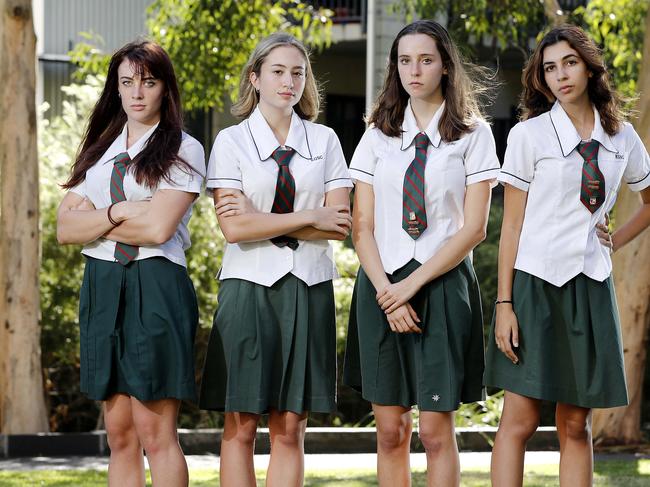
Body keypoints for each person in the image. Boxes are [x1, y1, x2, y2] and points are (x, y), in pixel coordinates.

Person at [484, 24, 650, 487]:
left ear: (589, 66)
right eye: (550, 68)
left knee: (575, 425)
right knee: (517, 420)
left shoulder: (622, 139)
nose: (561, 75)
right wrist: (504, 304)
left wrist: (614, 240)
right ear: (541, 78)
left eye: (569, 63)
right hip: (534, 287)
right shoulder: (528, 136)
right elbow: (511, 226)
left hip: (590, 288)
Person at [342, 19, 500, 486]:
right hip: (381, 286)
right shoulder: (376, 135)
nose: (414, 70)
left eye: (426, 60)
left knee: (434, 431)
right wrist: (388, 293)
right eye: (404, 60)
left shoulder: (475, 134)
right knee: (390, 431)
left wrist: (410, 287)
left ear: (446, 67)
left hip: (444, 285)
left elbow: (473, 229)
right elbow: (362, 225)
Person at [198, 32, 353, 487]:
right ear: (256, 78)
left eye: (298, 73)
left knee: (290, 427)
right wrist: (310, 215)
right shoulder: (231, 141)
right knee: (241, 423)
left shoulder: (325, 141)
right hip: (247, 288)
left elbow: (339, 224)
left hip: (309, 286)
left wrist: (262, 217)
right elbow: (234, 228)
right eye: (278, 72)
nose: (289, 82)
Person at [57, 40, 205, 487]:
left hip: (155, 283)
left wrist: (94, 221)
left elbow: (158, 230)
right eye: (127, 82)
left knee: (155, 433)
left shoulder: (184, 148)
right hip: (102, 286)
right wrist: (121, 211)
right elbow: (64, 228)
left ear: (165, 88)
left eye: (148, 81)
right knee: (120, 435)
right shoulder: (101, 149)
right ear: (116, 89)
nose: (137, 92)